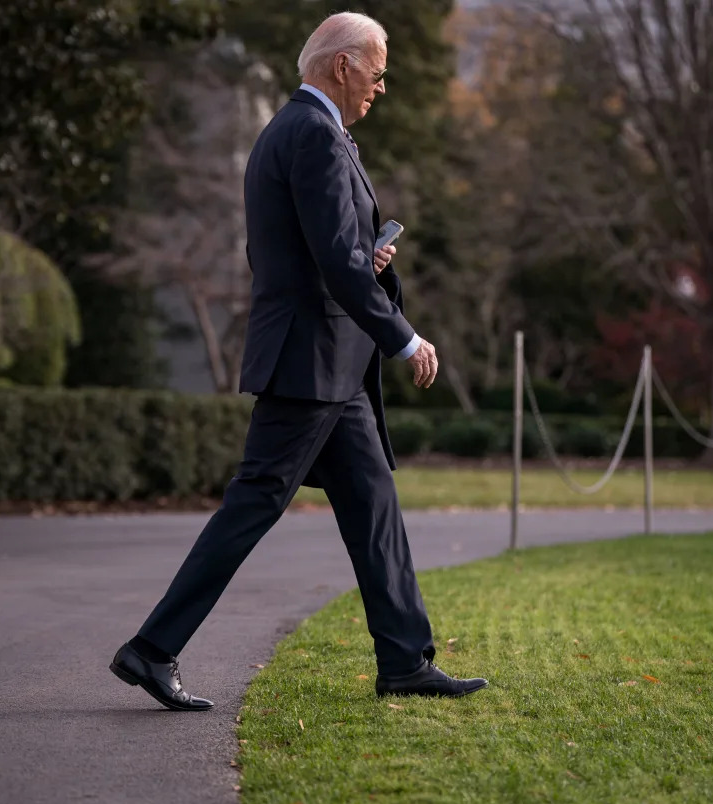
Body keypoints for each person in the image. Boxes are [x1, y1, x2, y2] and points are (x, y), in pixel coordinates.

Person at [110, 11, 488, 710]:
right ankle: (153, 648)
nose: (380, 86)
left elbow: (297, 255)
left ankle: (405, 659)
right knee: (253, 504)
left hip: (330, 369)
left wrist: (358, 263)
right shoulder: (313, 135)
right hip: (311, 365)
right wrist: (403, 335)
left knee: (373, 506)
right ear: (342, 65)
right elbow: (336, 265)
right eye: (375, 72)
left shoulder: (296, 132)